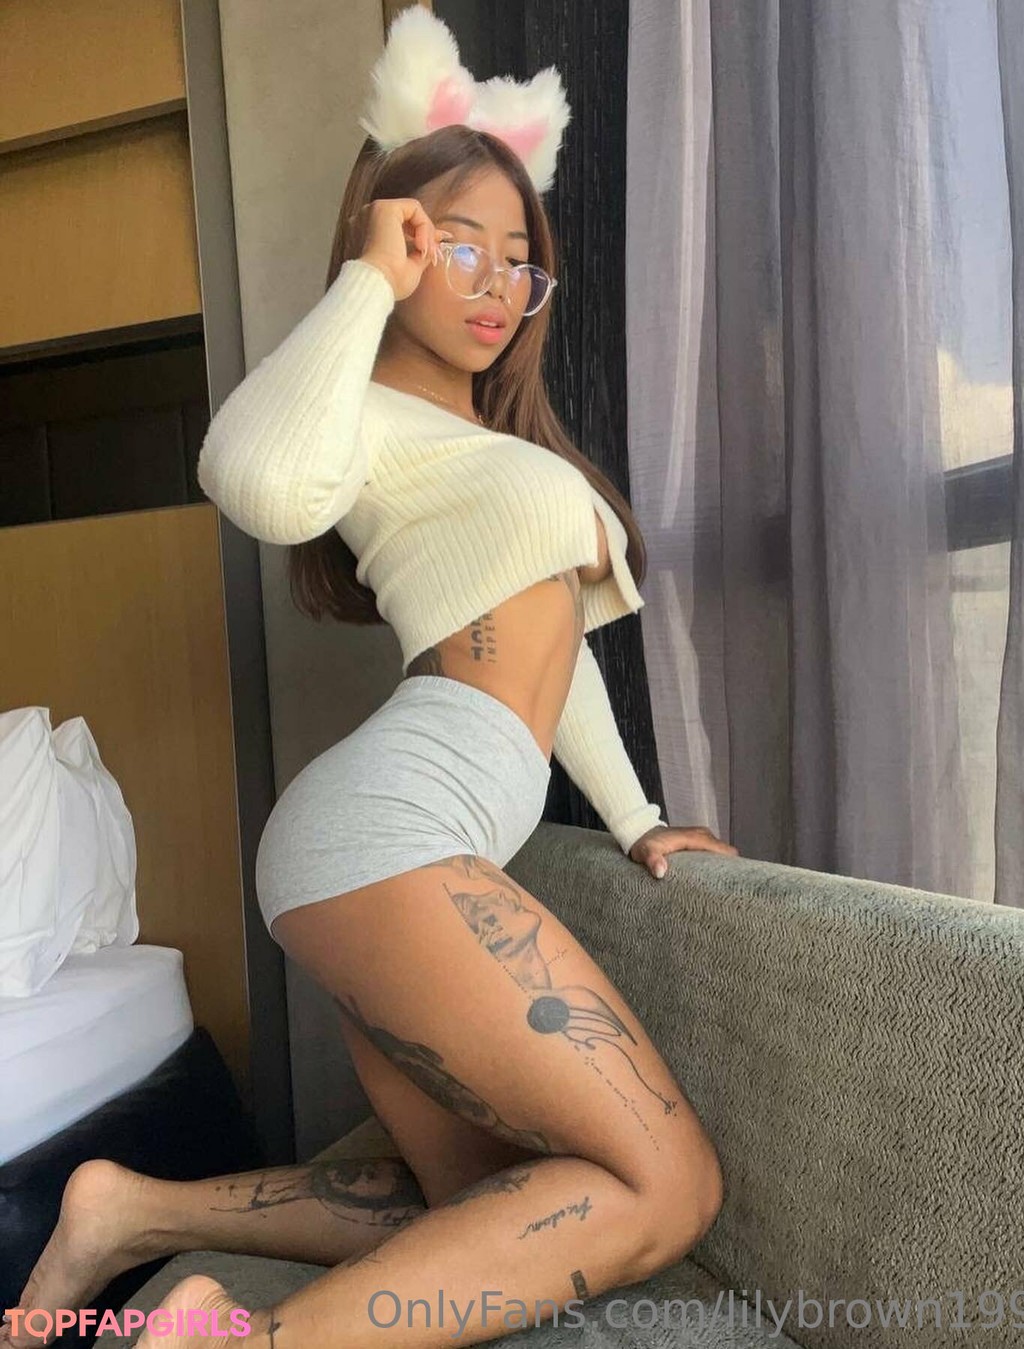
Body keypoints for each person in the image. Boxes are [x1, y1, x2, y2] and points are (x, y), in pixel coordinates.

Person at [1, 9, 738, 1347]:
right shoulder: (359, 415)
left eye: (520, 261)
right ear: (393, 238)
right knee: (669, 1184)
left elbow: (555, 655)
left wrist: (638, 819)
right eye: (457, 242)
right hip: (387, 832)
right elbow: (251, 479)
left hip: (392, 840)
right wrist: (361, 284)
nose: (496, 281)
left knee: (474, 1199)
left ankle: (126, 1210)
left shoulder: (494, 447)